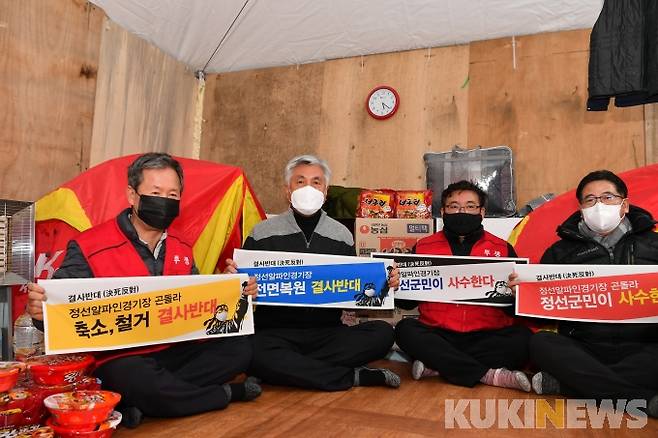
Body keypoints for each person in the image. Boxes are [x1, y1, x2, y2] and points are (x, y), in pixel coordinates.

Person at [27, 153, 261, 427]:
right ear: (132, 195)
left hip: (174, 349)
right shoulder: (89, 245)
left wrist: (233, 291)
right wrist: (41, 313)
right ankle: (224, 393)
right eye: (156, 192)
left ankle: (135, 403)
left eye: (173, 195)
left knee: (239, 349)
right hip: (122, 358)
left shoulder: (182, 247)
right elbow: (59, 308)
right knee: (133, 377)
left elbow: (198, 309)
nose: (165, 201)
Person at [226, 154, 401, 391]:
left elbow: (356, 291)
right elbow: (242, 290)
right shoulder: (262, 232)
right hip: (275, 332)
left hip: (327, 333)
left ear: (325, 192)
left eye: (316, 182)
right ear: (287, 191)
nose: (308, 188)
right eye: (300, 181)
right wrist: (236, 282)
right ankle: (351, 377)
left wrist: (385, 283)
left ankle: (282, 370)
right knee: (248, 349)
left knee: (382, 334)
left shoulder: (341, 235)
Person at [522, 170, 658, 417]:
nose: (599, 205)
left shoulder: (654, 244)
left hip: (645, 346)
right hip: (584, 349)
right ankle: (644, 401)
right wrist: (522, 295)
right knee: (540, 343)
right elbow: (541, 315)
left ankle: (569, 386)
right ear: (581, 208)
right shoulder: (559, 253)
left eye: (607, 197)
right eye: (590, 200)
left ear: (624, 205)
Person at [395, 180, 532, 391]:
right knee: (405, 330)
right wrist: (396, 285)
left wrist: (517, 294)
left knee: (524, 339)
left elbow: (515, 310)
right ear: (443, 212)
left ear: (482, 212)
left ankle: (439, 365)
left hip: (487, 336)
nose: (462, 212)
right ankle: (489, 375)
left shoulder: (503, 249)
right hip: (438, 333)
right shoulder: (424, 247)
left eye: (470, 206)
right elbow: (407, 303)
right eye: (454, 206)